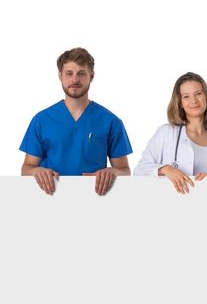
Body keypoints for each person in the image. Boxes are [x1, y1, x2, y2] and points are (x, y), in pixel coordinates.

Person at [19, 47, 133, 196]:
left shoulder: (111, 121)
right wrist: (36, 171)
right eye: (69, 74)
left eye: (81, 74)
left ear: (91, 76)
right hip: (50, 198)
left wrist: (112, 172)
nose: (74, 80)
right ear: (60, 76)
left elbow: (125, 171)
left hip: (95, 198)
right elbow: (26, 168)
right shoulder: (42, 120)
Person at [134, 72, 207, 194]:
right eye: (186, 96)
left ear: (206, 97)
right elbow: (139, 170)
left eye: (198, 94)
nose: (194, 100)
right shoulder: (166, 133)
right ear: (180, 103)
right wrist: (166, 169)